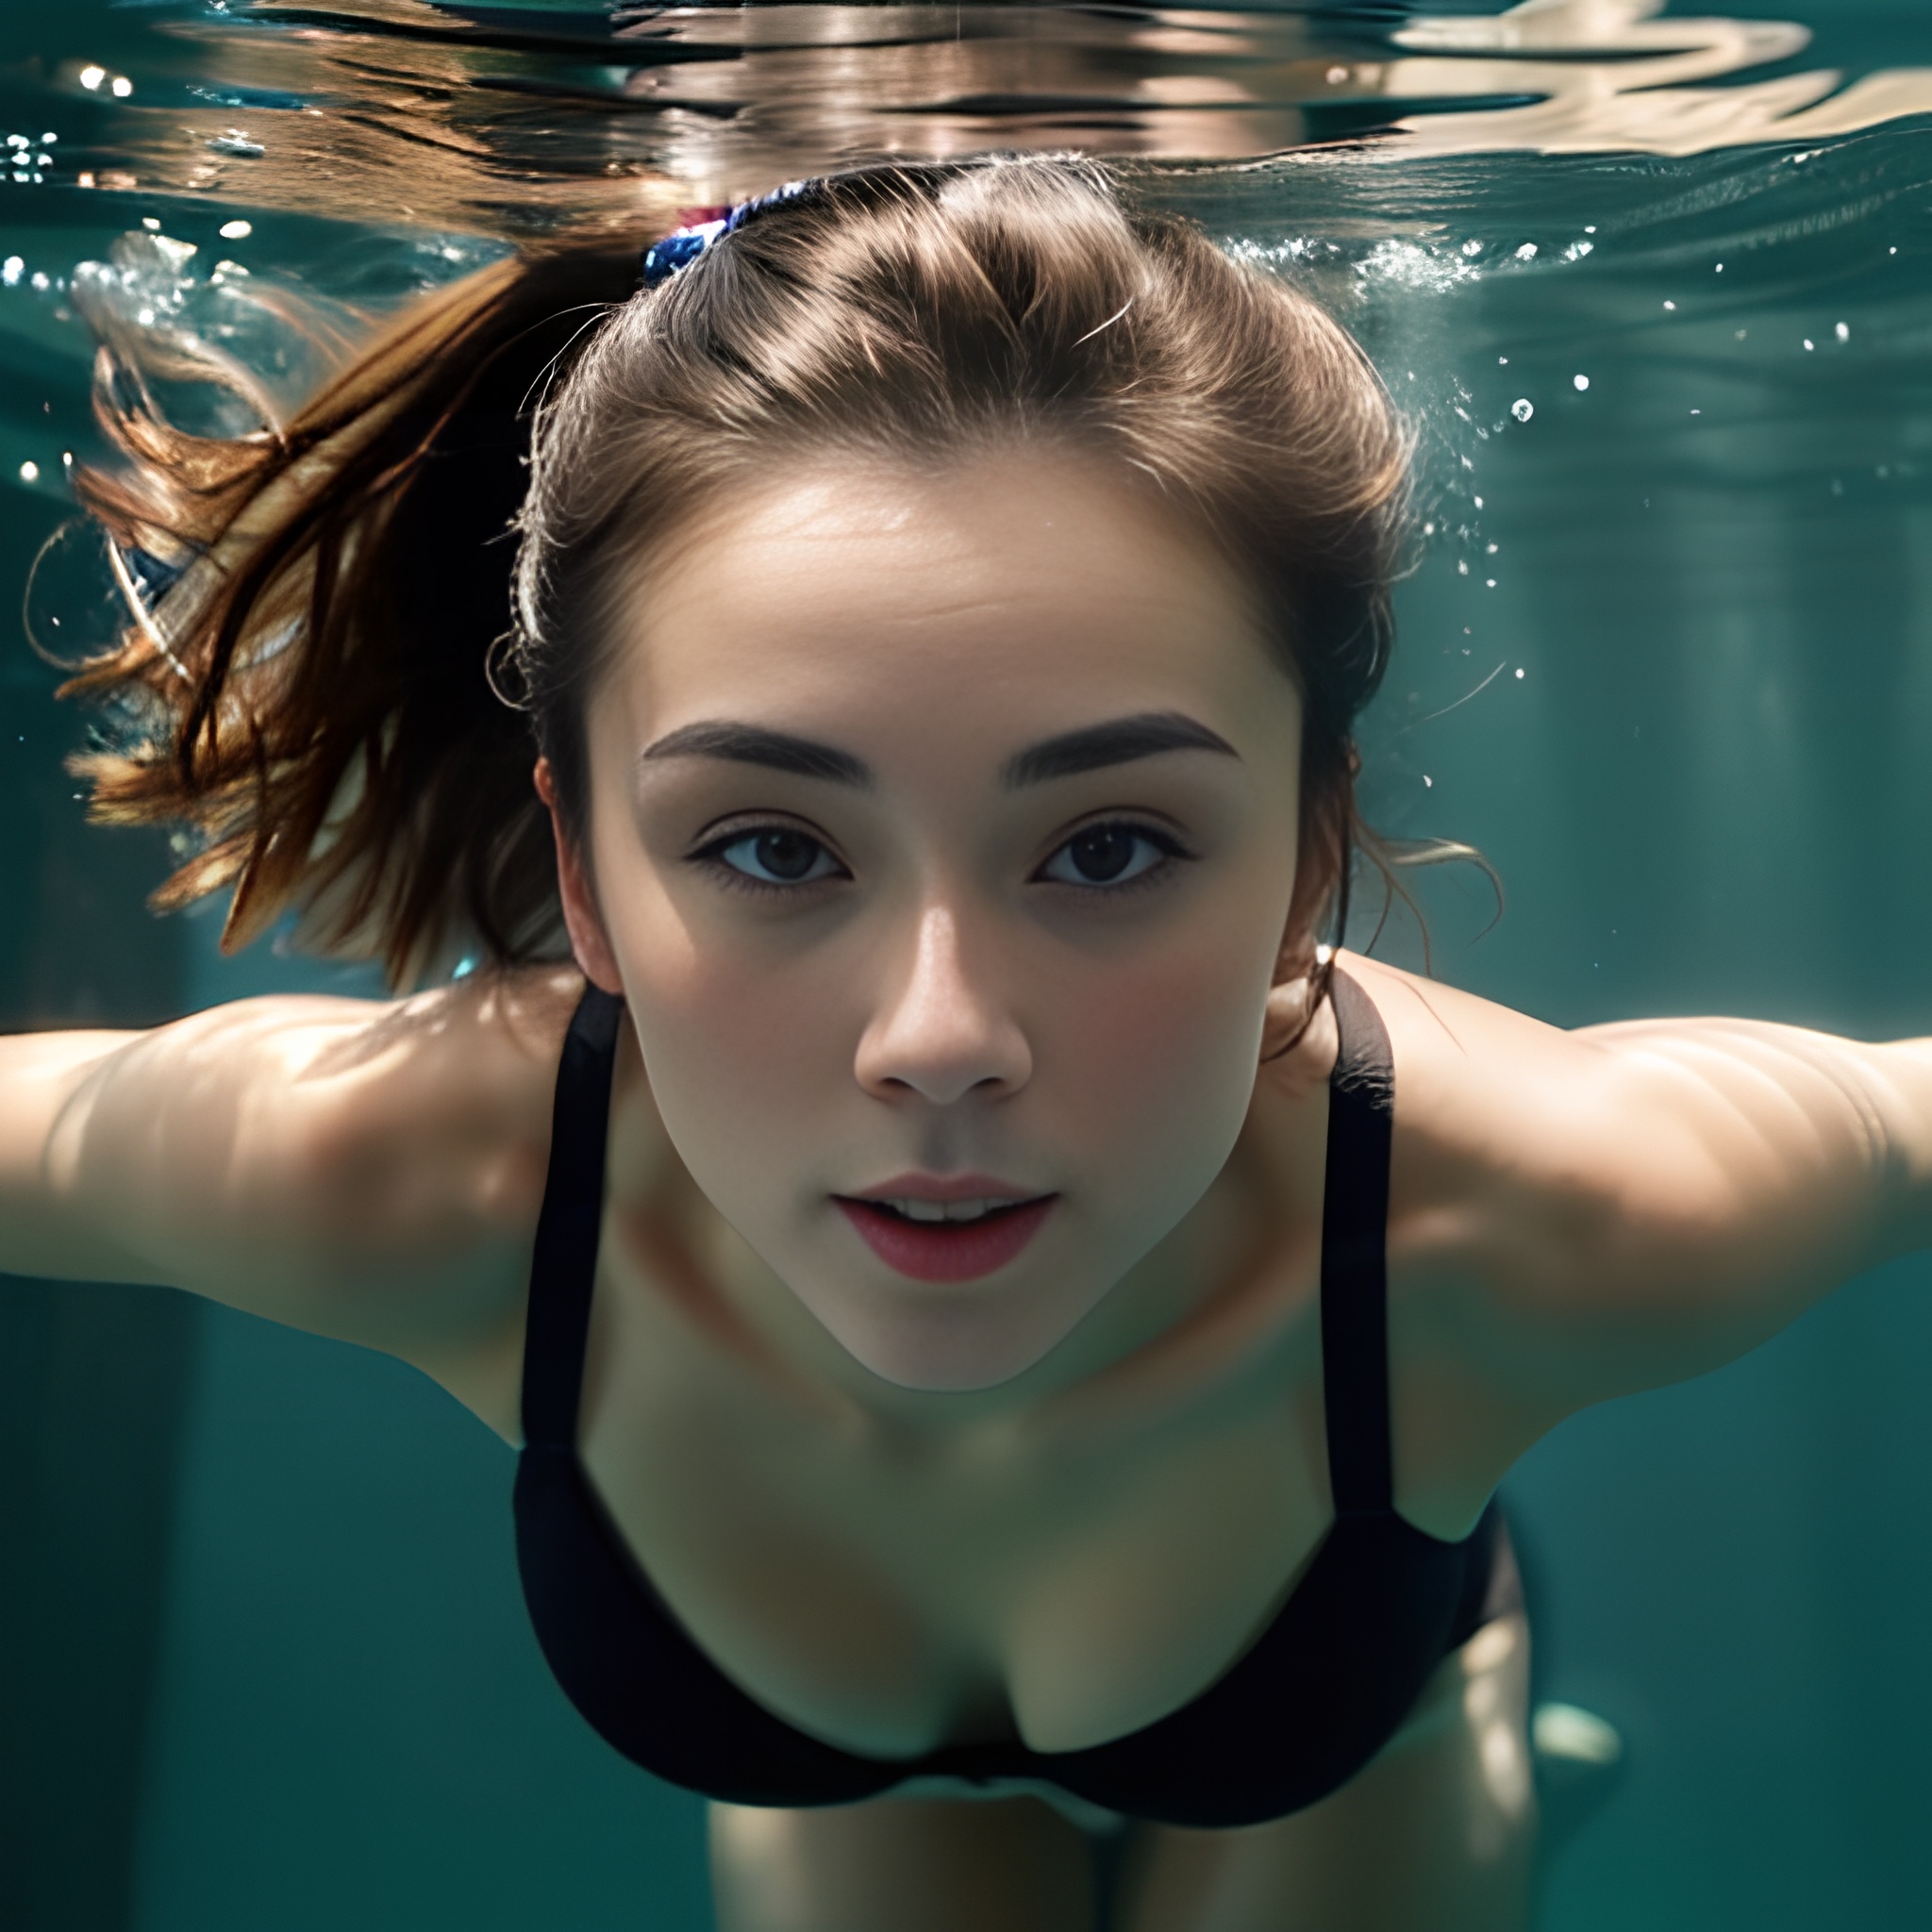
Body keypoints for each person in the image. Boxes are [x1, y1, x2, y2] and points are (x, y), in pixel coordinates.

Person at [4, 153, 1927, 1932]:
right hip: (829, 1766)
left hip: (1339, 1709)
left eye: (1107, 845)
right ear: (583, 875)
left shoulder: (1554, 1210)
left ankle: (1499, 1755)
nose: (939, 1040)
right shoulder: (423, 1172)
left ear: (1300, 864)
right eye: (769, 844)